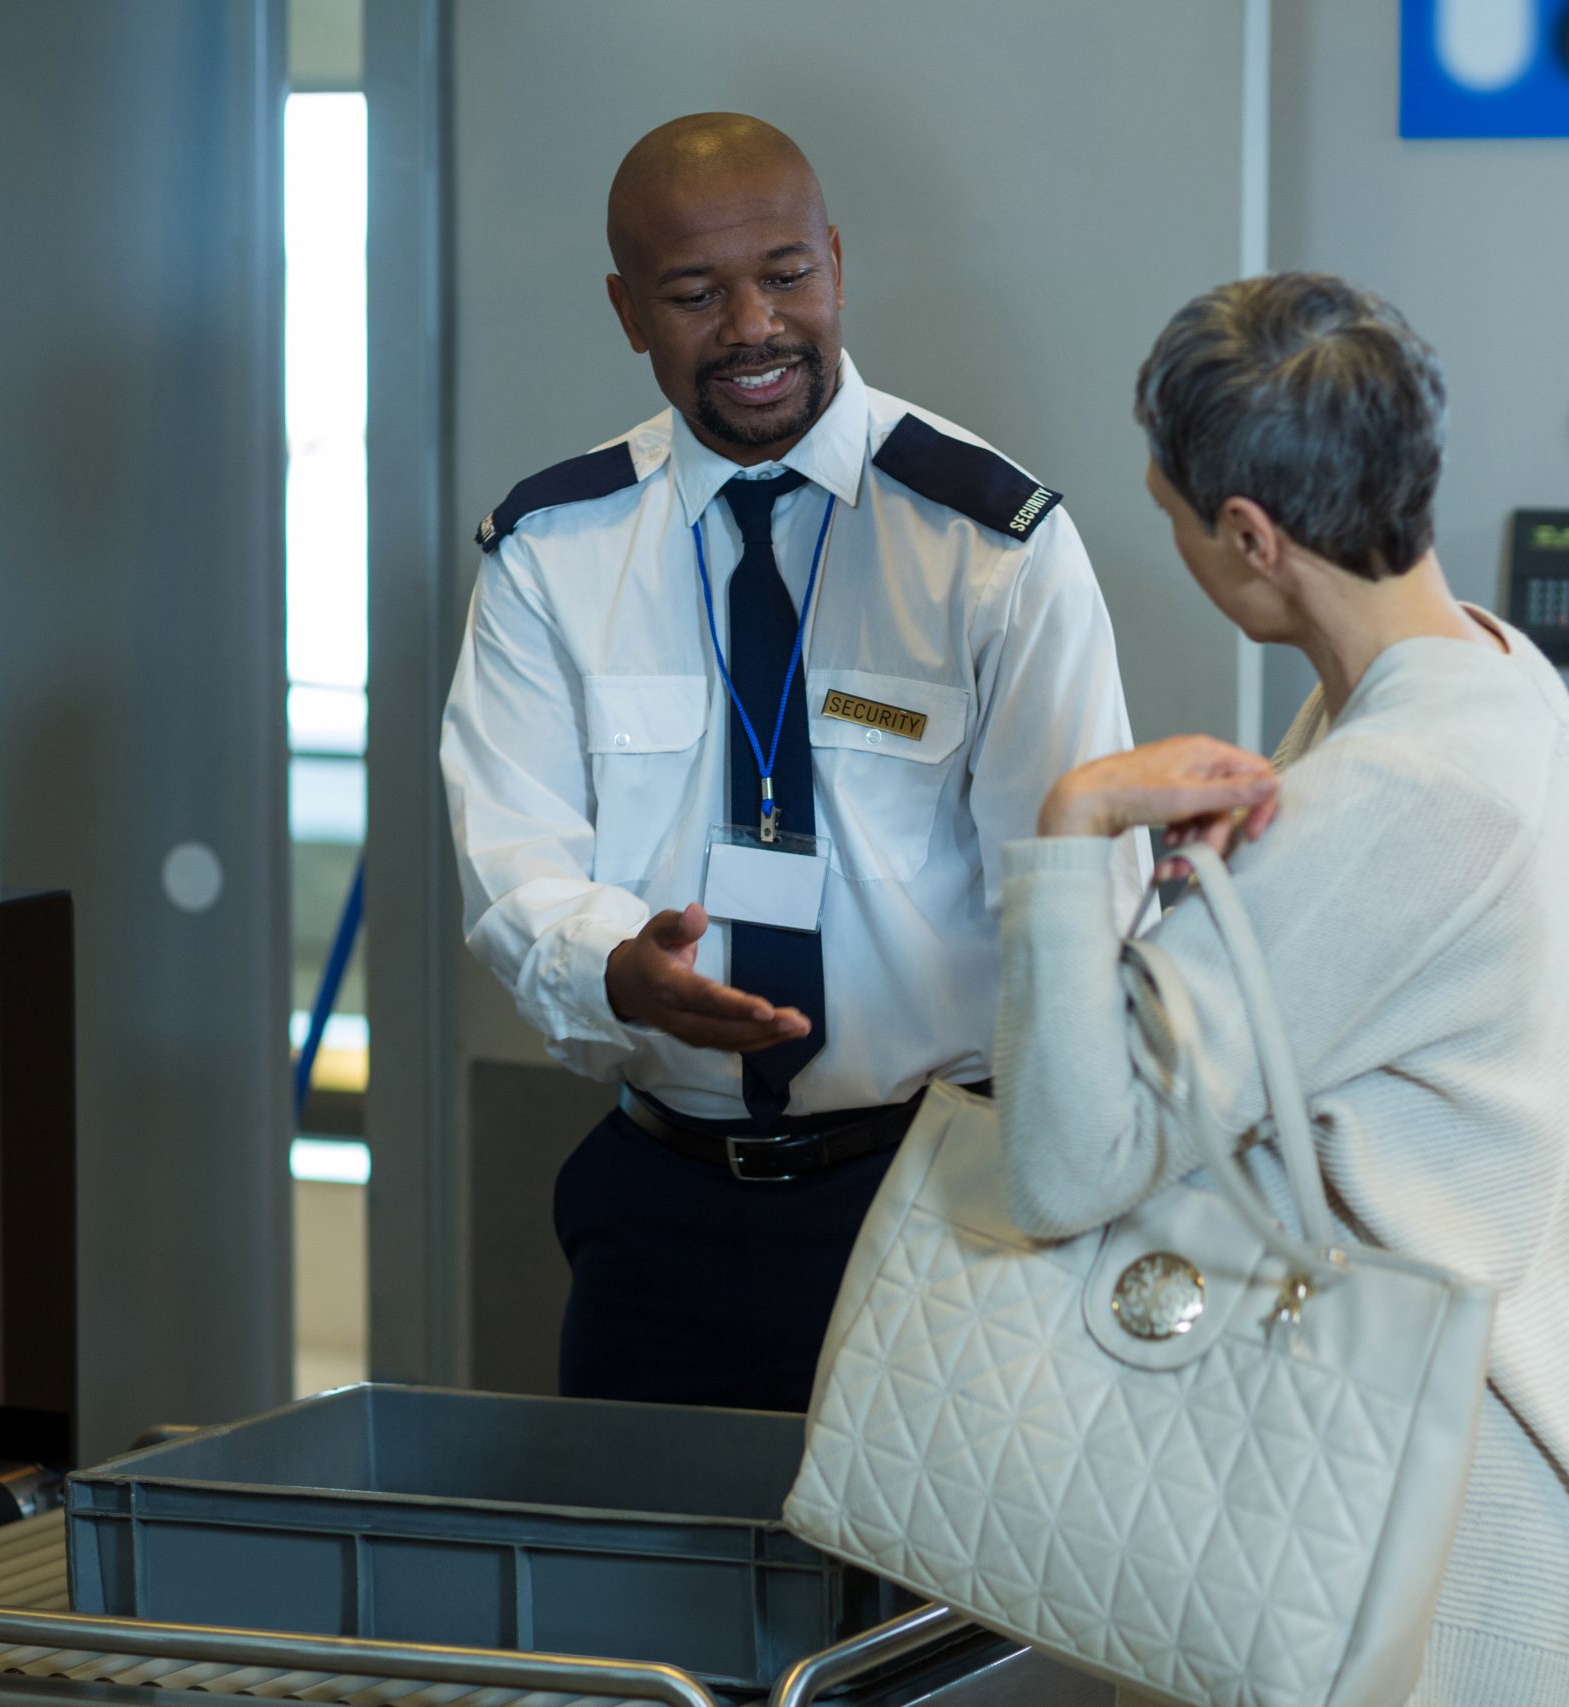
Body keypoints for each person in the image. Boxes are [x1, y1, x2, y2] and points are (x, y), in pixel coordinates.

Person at [993, 275, 1569, 1705]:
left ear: (1251, 536)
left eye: (1173, 512)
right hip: (1485, 1472)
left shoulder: (1390, 788)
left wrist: (1070, 828)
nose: (1173, 537)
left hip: (1429, 1537)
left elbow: (1067, 1167)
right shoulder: (1486, 675)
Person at [440, 114, 1147, 1412]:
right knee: (647, 1605)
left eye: (786, 275)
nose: (755, 326)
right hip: (662, 1210)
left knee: (924, 1616)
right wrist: (619, 969)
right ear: (626, 312)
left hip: (940, 1199)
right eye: (695, 294)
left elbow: (1075, 891)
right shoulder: (554, 550)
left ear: (837, 261)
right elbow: (511, 856)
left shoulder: (989, 542)